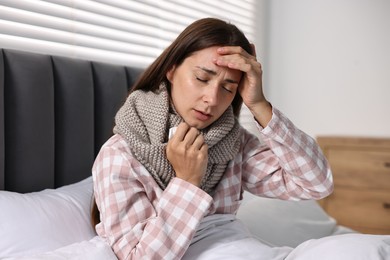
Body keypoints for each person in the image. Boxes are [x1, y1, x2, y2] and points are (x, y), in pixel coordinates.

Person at [92, 17, 333, 260]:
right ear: (172, 69)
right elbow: (138, 257)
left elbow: (316, 183)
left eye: (228, 88)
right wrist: (187, 181)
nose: (212, 99)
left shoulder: (233, 145)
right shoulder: (119, 156)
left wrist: (259, 104)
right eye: (202, 78)